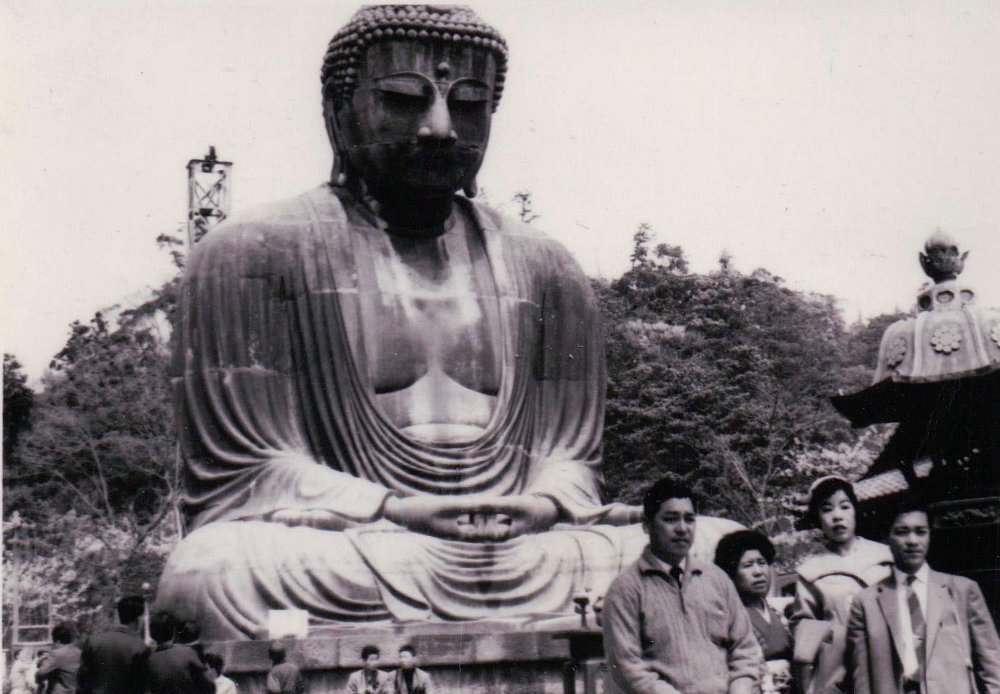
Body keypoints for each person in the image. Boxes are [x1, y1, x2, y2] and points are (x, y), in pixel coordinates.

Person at [153, 3, 740, 640]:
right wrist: (396, 506)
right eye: (404, 100)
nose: (439, 128)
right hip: (368, 539)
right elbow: (251, 468)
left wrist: (541, 503)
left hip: (524, 543)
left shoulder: (546, 266)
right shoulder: (251, 252)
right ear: (338, 112)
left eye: (468, 104)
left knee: (721, 545)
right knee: (213, 569)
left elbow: (569, 460)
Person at [602, 478, 763, 694]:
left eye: (689, 519)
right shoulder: (625, 589)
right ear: (647, 525)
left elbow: (745, 649)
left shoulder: (716, 578)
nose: (682, 528)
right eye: (670, 519)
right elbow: (627, 668)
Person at [847, 498, 1000, 694]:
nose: (912, 540)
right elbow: (862, 680)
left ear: (929, 536)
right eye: (902, 532)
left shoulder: (962, 590)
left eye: (920, 532)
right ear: (886, 538)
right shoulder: (866, 602)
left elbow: (992, 660)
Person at [789, 475, 893, 694]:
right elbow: (803, 628)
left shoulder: (885, 557)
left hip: (887, 660)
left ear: (855, 511)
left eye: (844, 507)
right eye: (827, 509)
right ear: (818, 518)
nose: (837, 516)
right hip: (839, 670)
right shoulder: (812, 572)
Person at [716, 530, 794, 694]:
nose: (758, 572)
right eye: (748, 565)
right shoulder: (728, 616)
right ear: (731, 574)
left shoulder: (777, 612)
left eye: (762, 563)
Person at [75, 596, 151, 694]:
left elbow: (82, 681)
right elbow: (140, 691)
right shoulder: (141, 648)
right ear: (139, 619)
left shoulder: (93, 641)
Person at [146, 612, 216, 694]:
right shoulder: (188, 653)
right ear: (174, 632)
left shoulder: (148, 661)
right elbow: (208, 690)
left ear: (152, 634)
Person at [36, 623, 81, 694]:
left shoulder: (57, 654)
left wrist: (43, 661)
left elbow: (41, 673)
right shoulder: (79, 652)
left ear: (57, 641)